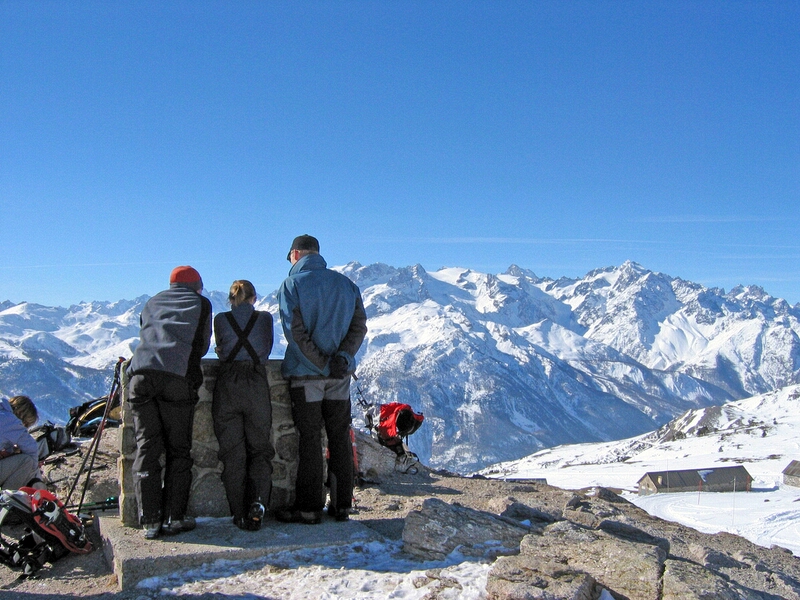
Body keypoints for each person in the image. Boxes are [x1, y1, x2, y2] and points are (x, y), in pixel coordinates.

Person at [275, 235, 367, 524]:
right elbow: (359, 327)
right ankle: (342, 505)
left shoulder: (291, 285)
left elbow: (295, 333)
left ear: (296, 253)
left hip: (306, 378)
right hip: (339, 377)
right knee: (339, 437)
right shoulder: (347, 285)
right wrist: (342, 358)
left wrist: (321, 364)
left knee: (310, 440)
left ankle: (309, 508)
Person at [126, 265, 212, 539]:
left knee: (147, 447)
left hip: (140, 377)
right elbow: (201, 344)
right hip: (176, 379)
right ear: (196, 284)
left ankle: (150, 520)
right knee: (178, 450)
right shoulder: (201, 303)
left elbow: (144, 332)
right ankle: (175, 517)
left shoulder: (152, 301)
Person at [212, 280, 275, 531]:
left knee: (232, 454)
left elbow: (222, 351)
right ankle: (257, 503)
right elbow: (266, 350)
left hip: (227, 385)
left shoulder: (220, 319)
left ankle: (238, 512)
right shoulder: (265, 319)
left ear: (230, 299)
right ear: (255, 298)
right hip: (256, 385)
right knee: (260, 449)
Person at [0, 395, 47, 491]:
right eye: (26, 424)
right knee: (27, 461)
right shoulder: (11, 422)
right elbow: (32, 448)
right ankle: (6, 500)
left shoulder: (2, 413)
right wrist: (35, 469)